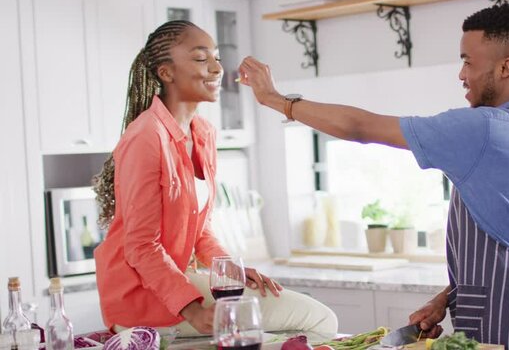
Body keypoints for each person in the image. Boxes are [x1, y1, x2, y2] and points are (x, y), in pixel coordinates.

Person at [238, 4, 509, 350]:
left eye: (467, 61)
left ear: (506, 66)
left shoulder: (484, 128)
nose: (461, 75)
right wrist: (449, 297)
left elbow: (360, 126)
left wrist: (275, 99)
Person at [92, 20, 337, 337]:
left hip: (173, 284)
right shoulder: (146, 138)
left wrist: (231, 271)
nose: (217, 68)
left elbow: (200, 230)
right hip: (140, 296)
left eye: (217, 57)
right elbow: (141, 246)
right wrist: (193, 310)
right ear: (166, 73)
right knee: (318, 321)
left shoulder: (203, 134)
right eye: (200, 58)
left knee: (289, 328)